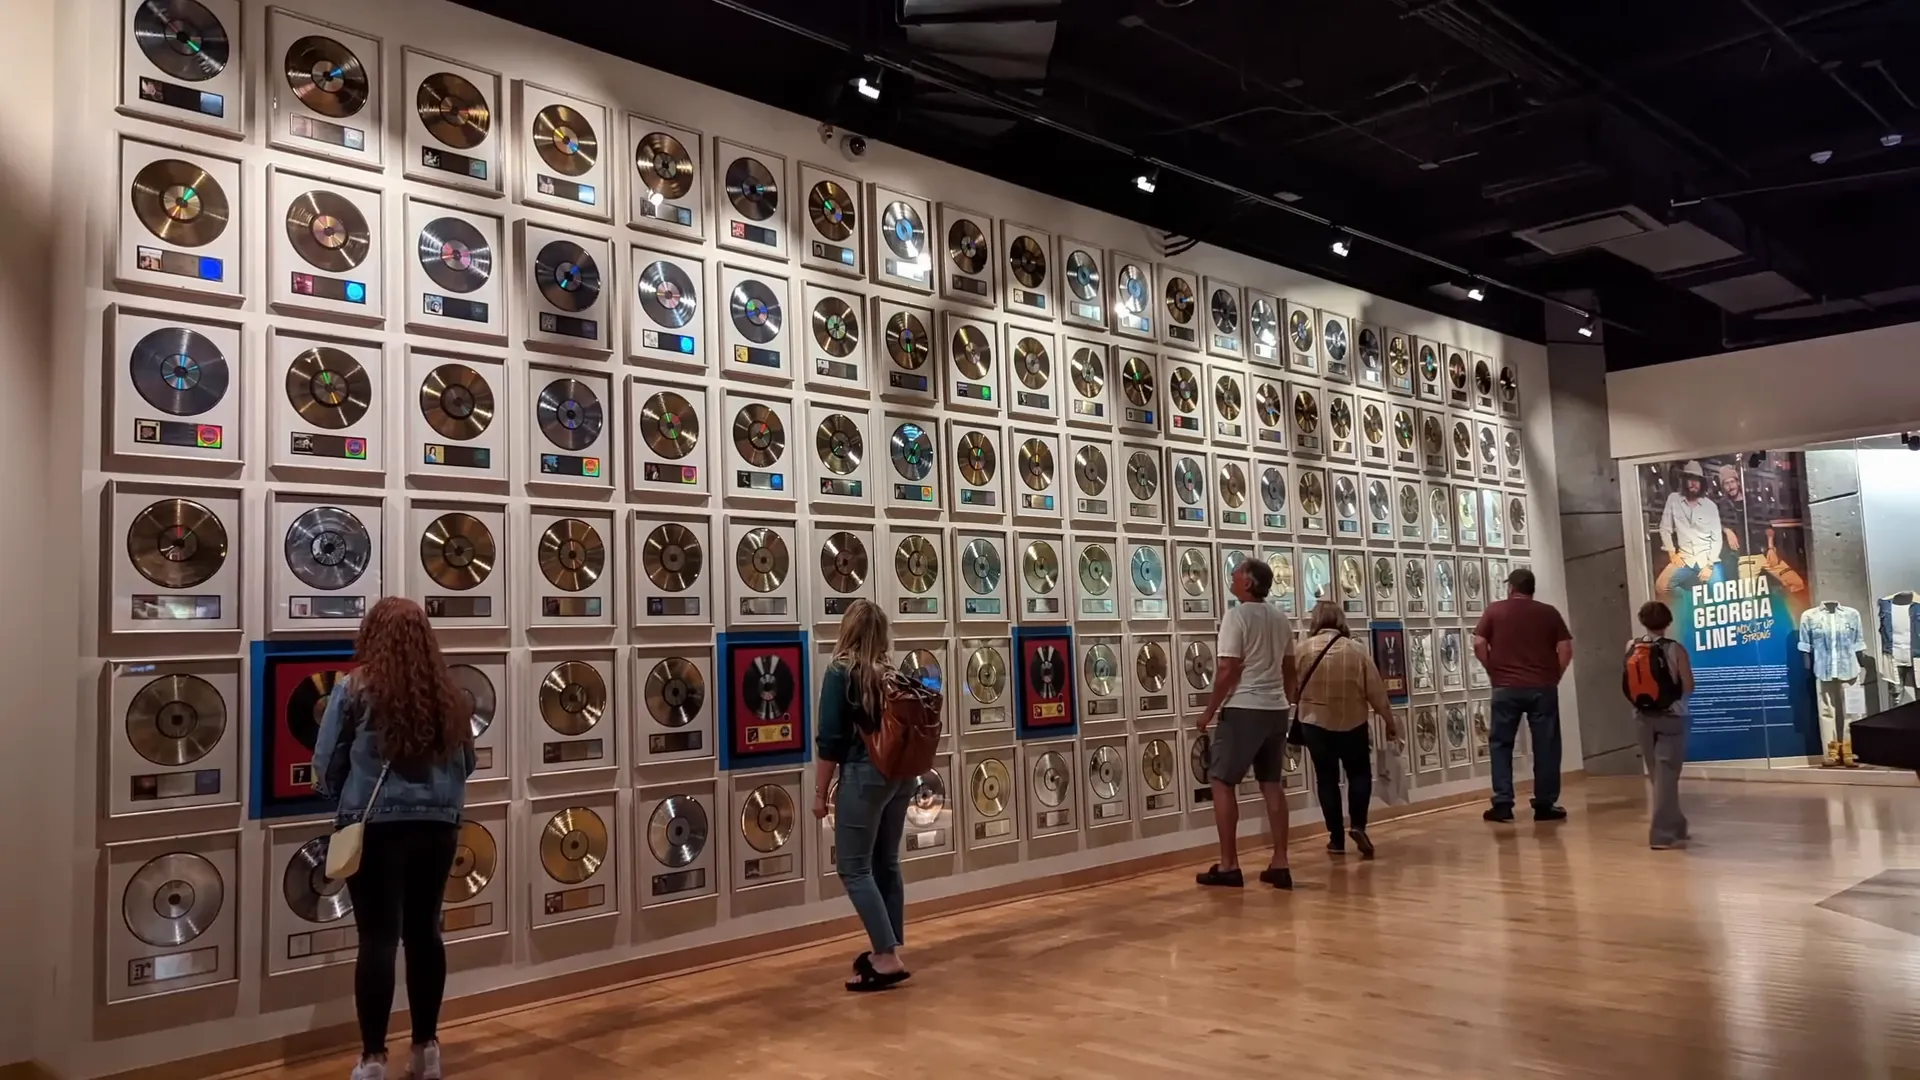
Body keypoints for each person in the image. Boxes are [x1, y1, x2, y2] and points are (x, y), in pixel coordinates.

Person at [313, 597, 476, 1080]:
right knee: (425, 934)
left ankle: (373, 1059)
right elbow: (466, 765)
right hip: (438, 828)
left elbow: (326, 765)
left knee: (378, 940)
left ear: (372, 636)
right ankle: (427, 1051)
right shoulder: (450, 695)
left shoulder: (354, 689)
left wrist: (338, 795)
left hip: (375, 828)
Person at [811, 598, 915, 991]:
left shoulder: (842, 673)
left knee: (854, 868)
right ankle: (886, 947)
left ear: (848, 630)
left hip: (864, 777)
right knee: (886, 862)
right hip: (901, 777)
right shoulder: (892, 673)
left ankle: (885, 956)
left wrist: (820, 795)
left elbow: (830, 742)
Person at [1194, 558, 1299, 889]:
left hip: (1243, 709)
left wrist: (1209, 711)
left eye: (1236, 574)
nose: (1232, 577)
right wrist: (1287, 700)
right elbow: (1289, 668)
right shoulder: (1280, 618)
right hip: (1275, 710)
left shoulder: (1236, 616)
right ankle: (1280, 862)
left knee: (1221, 781)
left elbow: (1228, 668)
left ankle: (1228, 865)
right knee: (1272, 783)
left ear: (1249, 583)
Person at [1292, 603, 1399, 859]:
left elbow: (1291, 687)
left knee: (1326, 779)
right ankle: (1359, 826)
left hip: (1314, 723)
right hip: (1353, 722)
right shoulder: (1357, 650)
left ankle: (1336, 839)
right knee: (1360, 774)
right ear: (1341, 620)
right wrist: (1389, 721)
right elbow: (1375, 691)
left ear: (1315, 621)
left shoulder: (1303, 650)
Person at [1471, 567, 1573, 822]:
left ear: (1511, 587)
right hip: (1542, 687)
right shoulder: (1548, 613)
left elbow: (1479, 643)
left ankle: (1503, 803)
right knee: (1547, 746)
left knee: (1501, 745)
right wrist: (1554, 676)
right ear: (1532, 588)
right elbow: (1566, 649)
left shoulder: (1495, 610)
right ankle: (1545, 804)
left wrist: (1492, 669)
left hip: (1505, 687)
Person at [1628, 601, 1694, 849]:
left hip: (1642, 717)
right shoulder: (1676, 649)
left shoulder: (1632, 646)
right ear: (1668, 622)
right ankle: (1662, 835)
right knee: (1667, 774)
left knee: (1659, 775)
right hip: (1672, 717)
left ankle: (1677, 825)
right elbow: (1688, 685)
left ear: (1643, 621)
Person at [1656, 459, 1723, 590]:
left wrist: (1709, 566)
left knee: (1720, 591)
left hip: (1707, 559)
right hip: (1684, 558)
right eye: (1690, 478)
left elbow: (1717, 539)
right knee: (1661, 587)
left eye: (1697, 479)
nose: (1693, 483)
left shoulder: (1711, 506)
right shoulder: (1673, 499)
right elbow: (1665, 529)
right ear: (1684, 481)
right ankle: (1688, 603)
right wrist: (1672, 553)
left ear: (1702, 483)